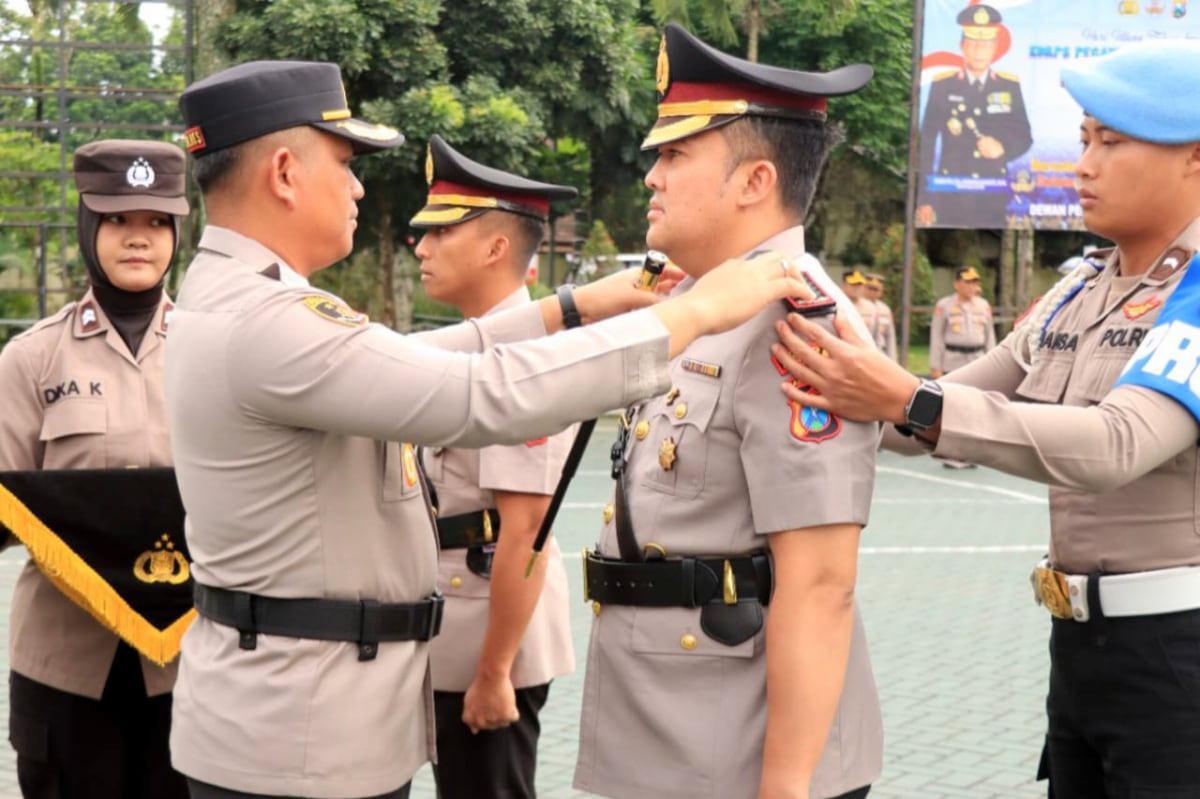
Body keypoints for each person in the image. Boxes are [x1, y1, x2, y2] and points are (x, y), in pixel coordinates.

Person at [163, 59, 806, 799]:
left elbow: (406, 362)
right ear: (283, 172)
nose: (359, 186)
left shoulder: (236, 299)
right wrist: (691, 314)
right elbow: (472, 396)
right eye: (345, 163)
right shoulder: (269, 322)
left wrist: (567, 309)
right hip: (298, 733)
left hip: (289, 714)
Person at [772, 38, 1200, 798]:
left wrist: (910, 399)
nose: (1086, 164)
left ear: (1193, 160)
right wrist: (802, 312)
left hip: (1177, 652)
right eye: (1083, 140)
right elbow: (921, 414)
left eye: (1113, 141)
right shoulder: (1078, 290)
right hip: (1081, 648)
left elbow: (1117, 443)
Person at [572, 24, 882, 799]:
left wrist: (785, 787)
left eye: (674, 155)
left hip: (735, 751)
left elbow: (819, 581)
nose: (652, 176)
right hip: (671, 724)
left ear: (753, 182)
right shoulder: (705, 304)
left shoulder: (793, 322)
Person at [0, 140, 191, 798]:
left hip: (191, 664)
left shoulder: (214, 354)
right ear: (87, 225)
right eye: (117, 220)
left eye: (156, 222)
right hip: (66, 666)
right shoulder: (32, 360)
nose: (138, 238)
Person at [410, 135, 579, 799]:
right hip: (451, 625)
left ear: (495, 248)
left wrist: (495, 669)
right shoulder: (477, 348)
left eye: (439, 233)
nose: (420, 248)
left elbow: (527, 531)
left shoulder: (526, 359)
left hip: (487, 636)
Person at [916, 3, 1032, 228]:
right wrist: (925, 198)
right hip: (950, 191)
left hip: (993, 192)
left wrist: (1003, 148)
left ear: (995, 47)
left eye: (986, 44)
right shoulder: (943, 86)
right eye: (973, 43)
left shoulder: (1009, 86)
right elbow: (927, 144)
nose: (979, 51)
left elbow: (1025, 136)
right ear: (962, 46)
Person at [930, 266, 995, 380]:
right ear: (956, 284)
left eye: (974, 283)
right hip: (952, 363)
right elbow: (936, 337)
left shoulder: (983, 305)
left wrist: (993, 364)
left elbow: (990, 337)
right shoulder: (944, 305)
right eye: (967, 282)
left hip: (978, 361)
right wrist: (936, 367)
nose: (972, 287)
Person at [864, 272, 897, 360]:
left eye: (876, 289)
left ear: (881, 291)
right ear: (863, 288)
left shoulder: (885, 310)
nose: (872, 292)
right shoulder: (856, 306)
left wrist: (892, 360)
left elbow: (890, 337)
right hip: (862, 351)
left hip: (880, 353)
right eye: (870, 288)